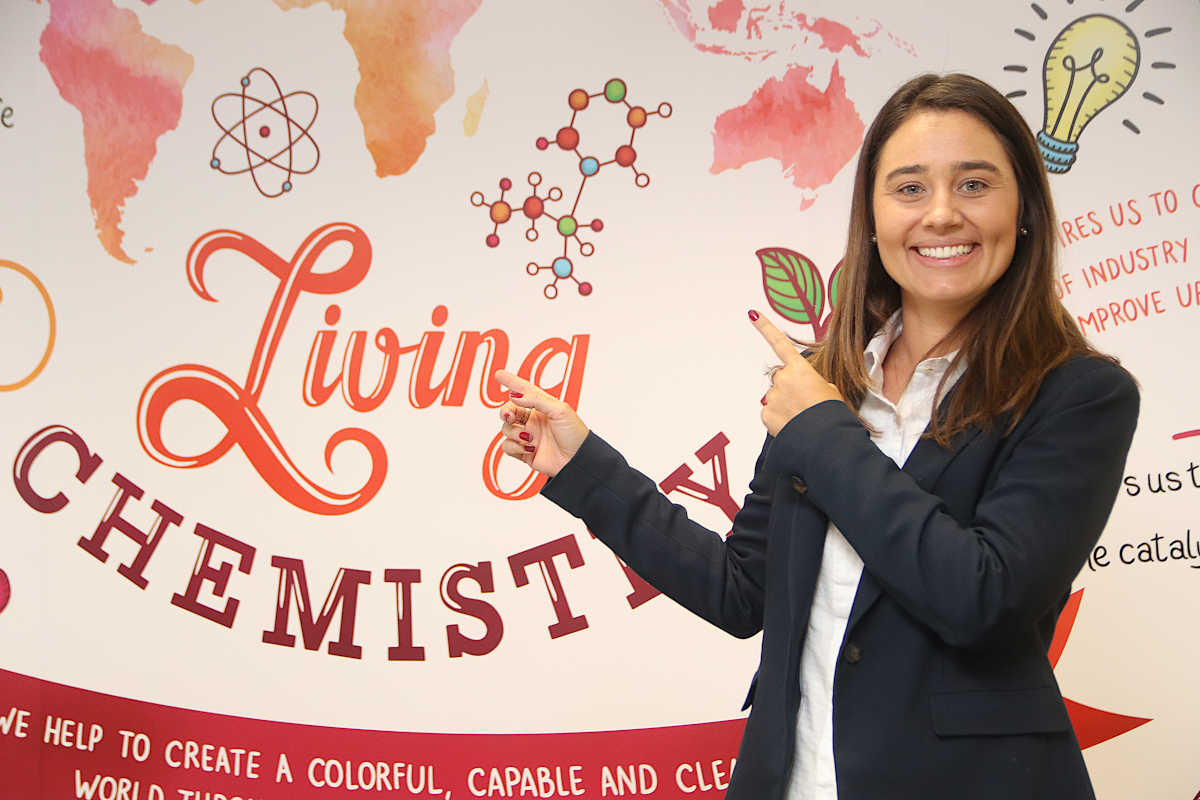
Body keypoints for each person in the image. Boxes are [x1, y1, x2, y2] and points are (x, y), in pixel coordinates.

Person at [492, 73, 1138, 800]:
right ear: (872, 214)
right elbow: (743, 594)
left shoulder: (1078, 394)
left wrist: (825, 432)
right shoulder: (829, 383)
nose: (943, 215)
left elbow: (981, 601)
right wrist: (585, 468)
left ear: (1023, 210)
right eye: (910, 188)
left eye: (976, 184)